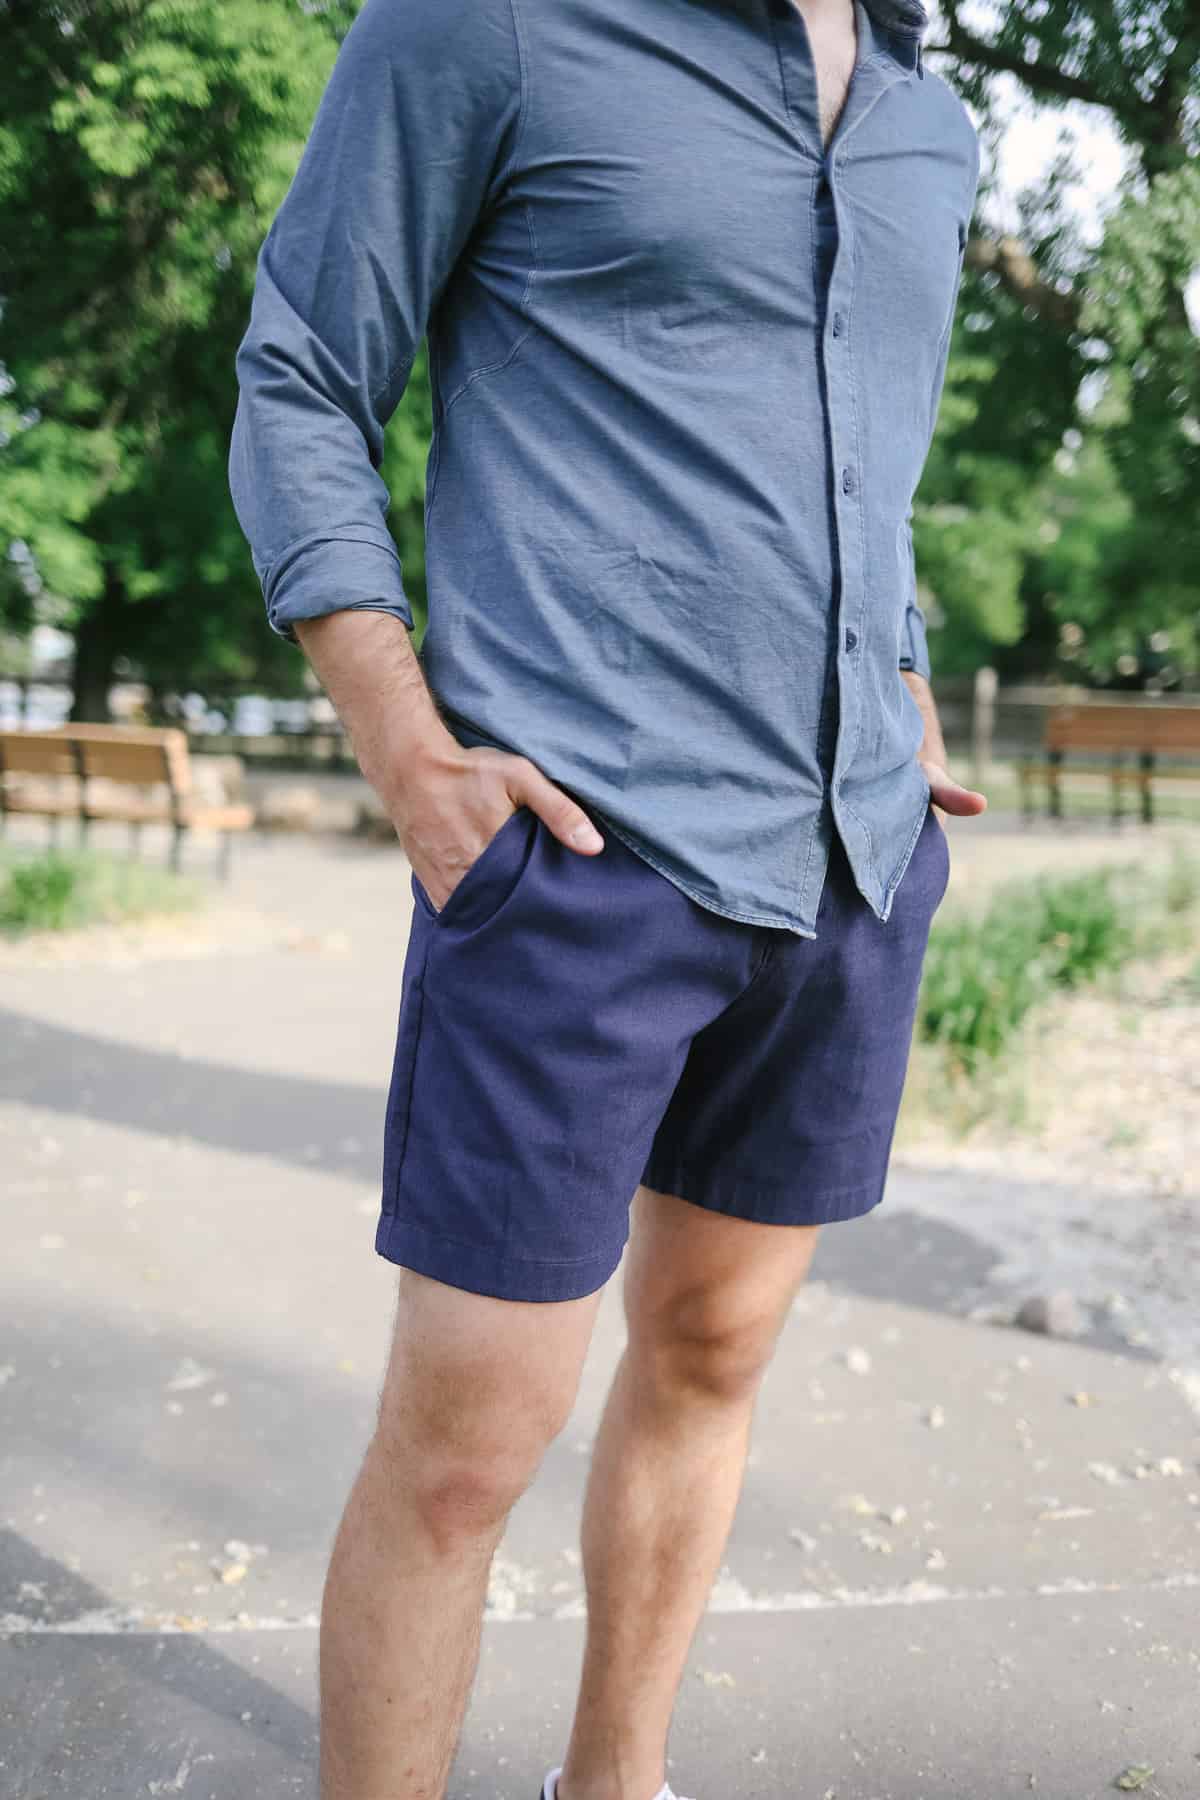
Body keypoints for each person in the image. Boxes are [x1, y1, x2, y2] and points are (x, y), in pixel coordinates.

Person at [229, 0, 986, 1794]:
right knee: (467, 1445)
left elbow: (868, 463)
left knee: (715, 1352)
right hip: (577, 856)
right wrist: (412, 756)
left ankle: (615, 1778)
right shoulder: (486, 27)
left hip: (847, 860)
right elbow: (302, 371)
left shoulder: (928, 127)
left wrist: (905, 682)